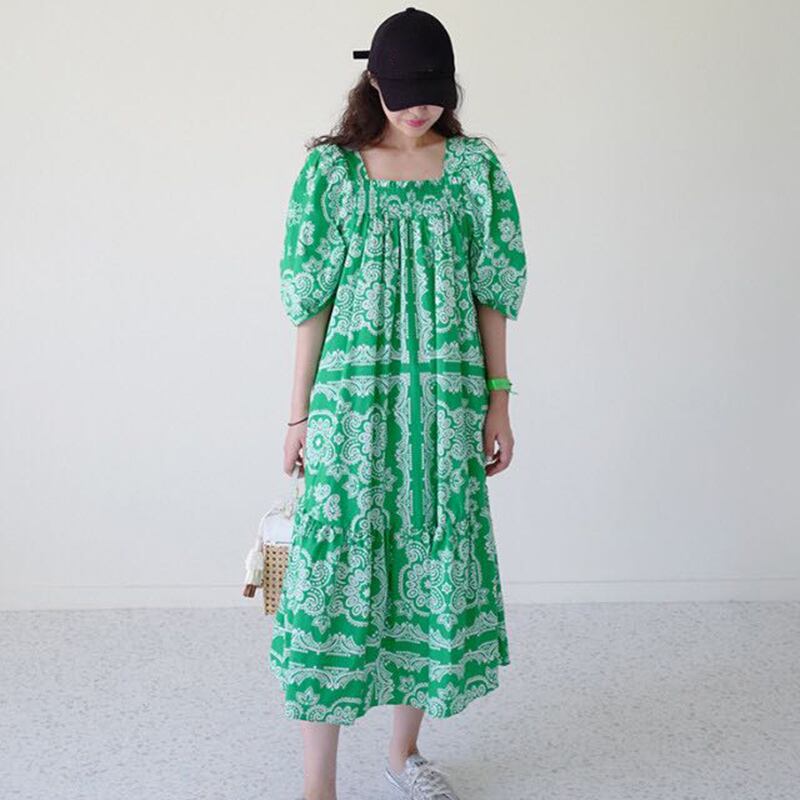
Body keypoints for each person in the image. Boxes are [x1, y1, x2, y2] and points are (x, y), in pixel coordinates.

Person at [269, 8, 528, 800]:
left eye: (432, 92)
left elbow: (494, 292)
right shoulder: (332, 174)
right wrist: (298, 414)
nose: (418, 108)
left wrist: (498, 401)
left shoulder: (476, 170)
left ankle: (402, 756)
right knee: (333, 573)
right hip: (352, 406)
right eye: (403, 91)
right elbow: (309, 302)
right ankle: (318, 785)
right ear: (372, 81)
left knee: (431, 562)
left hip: (445, 405)